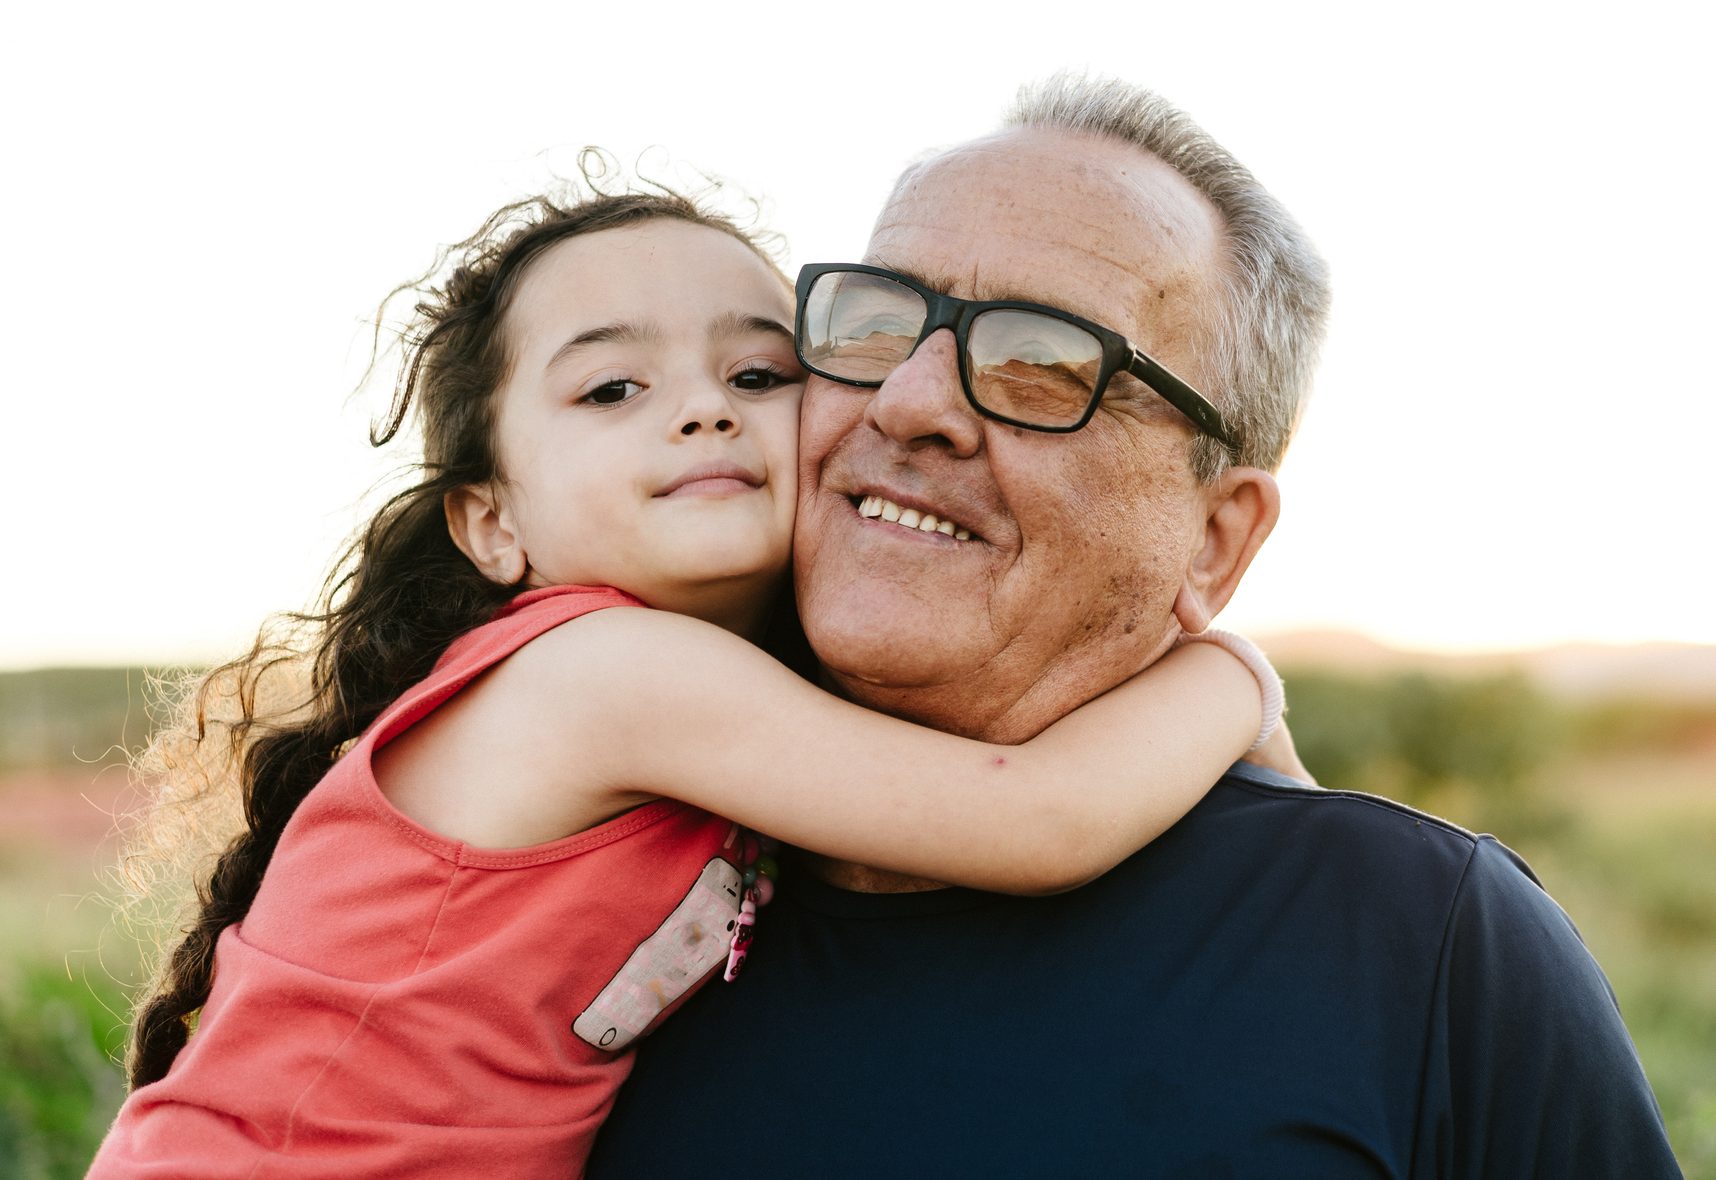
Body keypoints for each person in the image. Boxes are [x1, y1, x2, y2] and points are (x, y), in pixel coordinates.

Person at [587, 77, 1682, 1176]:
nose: (910, 401)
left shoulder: (1416, 942)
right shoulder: (580, 879)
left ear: (1216, 538)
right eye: (875, 322)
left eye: (1044, 361)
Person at [89, 186, 1298, 1178]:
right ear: (492, 519)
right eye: (614, 390)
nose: (704, 412)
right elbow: (1037, 814)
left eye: (761, 376)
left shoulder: (714, 699)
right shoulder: (603, 674)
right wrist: (1235, 682)